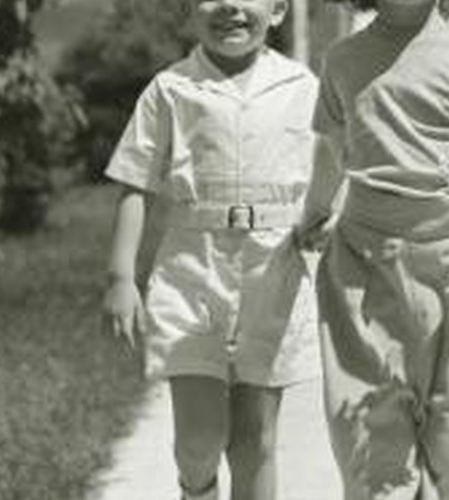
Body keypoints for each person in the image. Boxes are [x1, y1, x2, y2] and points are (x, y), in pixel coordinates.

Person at [295, 0, 449, 499]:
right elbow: (332, 154)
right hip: (364, 271)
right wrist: (313, 215)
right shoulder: (342, 60)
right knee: (373, 455)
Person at [100, 1, 320, 499]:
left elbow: (327, 171)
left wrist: (320, 220)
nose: (229, 7)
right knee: (199, 438)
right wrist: (119, 278)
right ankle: (194, 488)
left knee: (254, 441)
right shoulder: (170, 88)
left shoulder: (303, 88)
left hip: (273, 274)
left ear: (280, 10)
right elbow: (135, 183)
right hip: (192, 275)